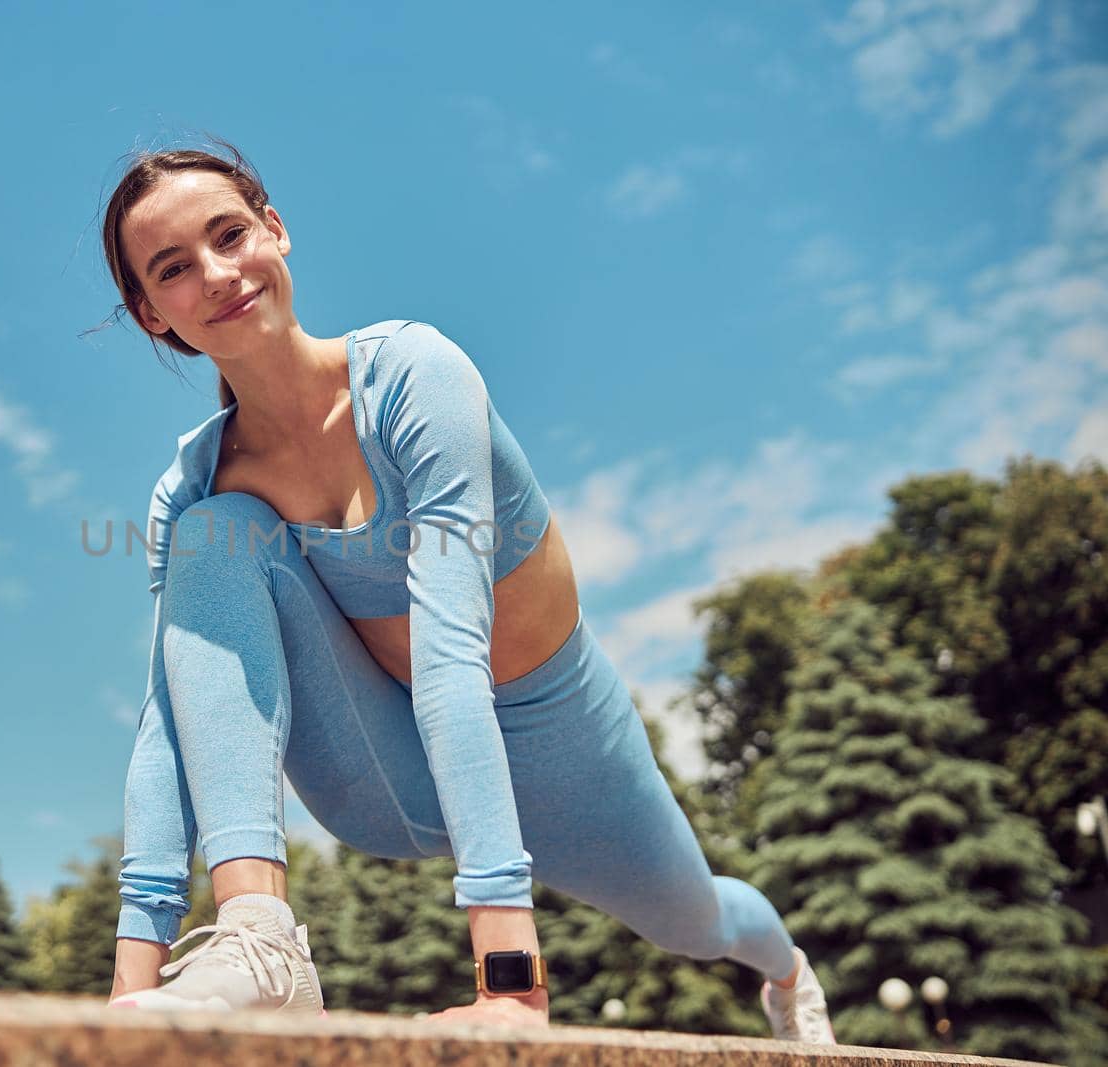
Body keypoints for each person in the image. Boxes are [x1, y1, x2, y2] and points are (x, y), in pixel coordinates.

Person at [95, 138, 835, 1042]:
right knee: (218, 531)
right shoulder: (195, 484)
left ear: (275, 230)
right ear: (149, 313)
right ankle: (259, 940)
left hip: (568, 756)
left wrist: (512, 983)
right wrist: (126, 996)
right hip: (389, 771)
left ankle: (788, 969)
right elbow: (170, 721)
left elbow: (453, 651)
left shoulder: (414, 376)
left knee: (697, 921)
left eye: (229, 234)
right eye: (174, 268)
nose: (216, 274)